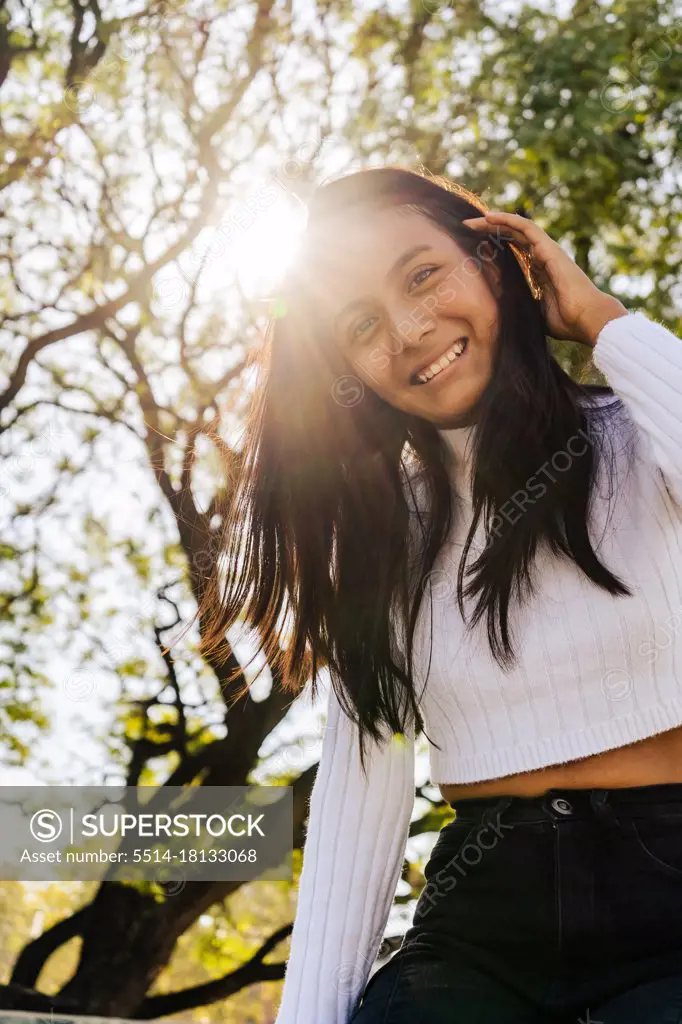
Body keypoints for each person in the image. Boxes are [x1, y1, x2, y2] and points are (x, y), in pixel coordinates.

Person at [196, 167, 682, 1023]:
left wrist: (602, 319)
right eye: (361, 324)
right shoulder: (384, 533)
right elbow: (358, 803)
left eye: (424, 274)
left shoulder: (643, 439)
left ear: (497, 261)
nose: (411, 330)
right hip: (483, 933)